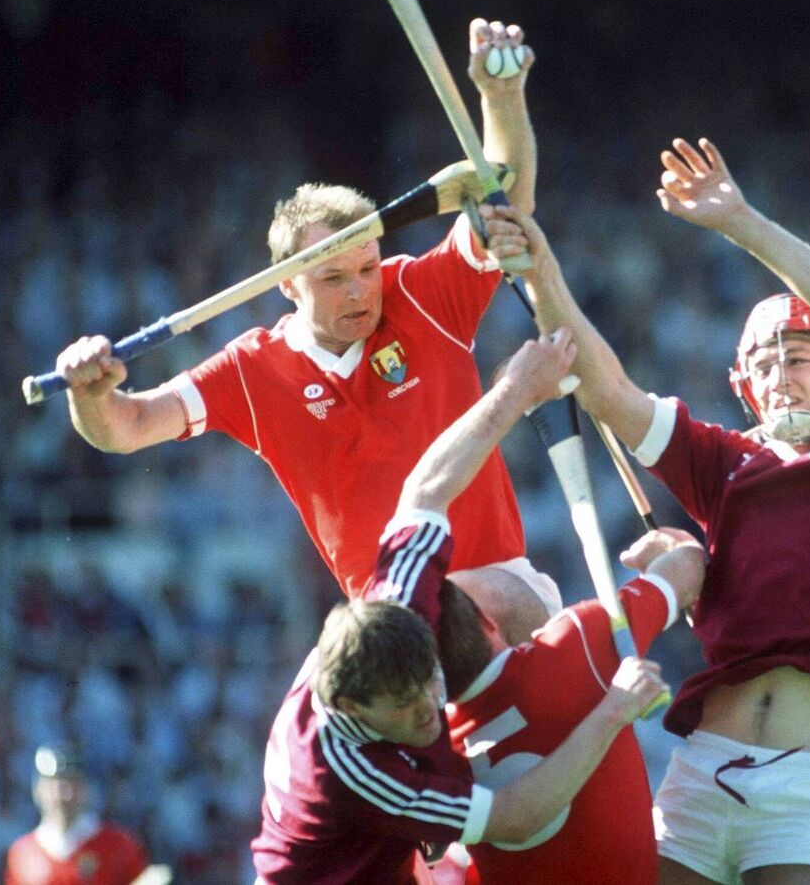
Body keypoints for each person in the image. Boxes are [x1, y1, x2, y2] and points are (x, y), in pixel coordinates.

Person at [52, 18, 554, 643]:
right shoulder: (251, 370)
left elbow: (505, 200)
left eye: (367, 268)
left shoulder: (420, 294)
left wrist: (499, 98)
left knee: (489, 603)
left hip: (501, 596)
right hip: (394, 632)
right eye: (333, 277)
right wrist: (90, 391)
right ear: (286, 285)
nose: (360, 291)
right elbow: (124, 428)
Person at [511, 136, 810, 884]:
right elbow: (607, 391)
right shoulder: (725, 461)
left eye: (798, 357)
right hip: (702, 770)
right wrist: (538, 264)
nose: (780, 377)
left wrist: (737, 219)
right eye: (763, 365)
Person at [250, 332, 672, 884]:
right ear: (354, 707)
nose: (431, 708)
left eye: (430, 682)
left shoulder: (396, 609)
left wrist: (518, 389)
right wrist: (612, 709)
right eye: (404, 704)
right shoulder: (345, 771)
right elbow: (516, 819)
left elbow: (424, 491)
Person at [364, 329, 707, 884]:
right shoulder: (580, 644)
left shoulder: (424, 754)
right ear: (487, 620)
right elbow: (691, 571)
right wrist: (676, 547)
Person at [4, 745, 156, 885]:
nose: (63, 794)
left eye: (71, 784)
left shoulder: (117, 845)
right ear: (38, 789)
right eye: (54, 784)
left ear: (85, 789)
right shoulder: (22, 853)